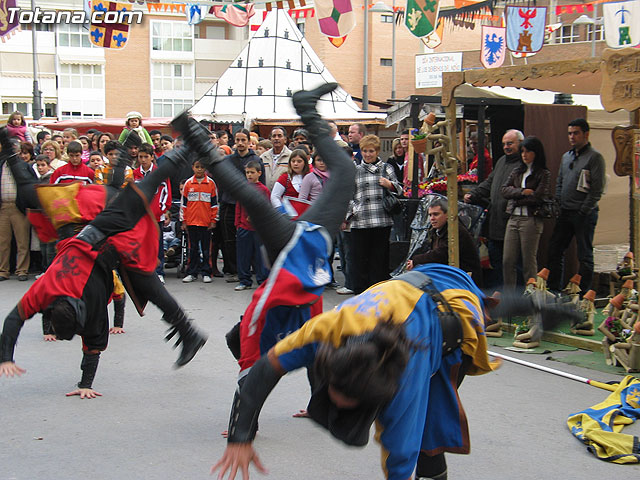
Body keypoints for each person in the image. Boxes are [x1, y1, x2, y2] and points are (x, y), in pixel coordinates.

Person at [212, 263, 496, 480]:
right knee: (420, 430)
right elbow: (264, 368)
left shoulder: (406, 379)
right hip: (412, 284)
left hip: (452, 310)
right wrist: (241, 437)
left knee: (427, 433)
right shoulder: (327, 331)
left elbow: (400, 457)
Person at [172, 82, 355, 396]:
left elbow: (312, 345)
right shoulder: (276, 315)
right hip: (297, 249)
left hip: (306, 245)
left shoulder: (303, 316)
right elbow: (254, 357)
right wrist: (243, 427)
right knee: (255, 197)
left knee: (257, 197)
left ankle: (305, 108)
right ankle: (199, 137)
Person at [0, 128, 207, 397]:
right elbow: (13, 320)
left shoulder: (87, 297)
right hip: (83, 210)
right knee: (28, 193)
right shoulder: (45, 290)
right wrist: (5, 357)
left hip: (92, 223)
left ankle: (189, 144)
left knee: (144, 273)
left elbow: (93, 341)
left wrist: (85, 383)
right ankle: (7, 145)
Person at [545, 118, 606, 293]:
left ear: (586, 134)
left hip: (584, 213)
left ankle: (583, 294)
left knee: (584, 255)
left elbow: (597, 189)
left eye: (576, 133)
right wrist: (558, 202)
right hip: (565, 211)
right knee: (555, 249)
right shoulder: (566, 156)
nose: (572, 137)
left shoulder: (595, 157)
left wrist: (583, 210)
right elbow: (560, 181)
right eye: (570, 133)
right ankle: (554, 289)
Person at [464, 129, 524, 289]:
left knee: (513, 263)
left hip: (513, 222)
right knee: (496, 261)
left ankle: (516, 299)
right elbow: (489, 183)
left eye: (510, 143)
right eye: (504, 144)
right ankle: (498, 296)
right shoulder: (501, 161)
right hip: (496, 222)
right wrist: (473, 194)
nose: (506, 147)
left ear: (520, 144)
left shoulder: (523, 165)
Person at [347, 134, 402, 294]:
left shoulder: (387, 168)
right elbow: (348, 195)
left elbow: (400, 189)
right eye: (364, 151)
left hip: (382, 219)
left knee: (379, 259)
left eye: (371, 151)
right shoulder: (355, 170)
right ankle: (360, 293)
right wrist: (352, 211)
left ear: (377, 151)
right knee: (359, 259)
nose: (368, 154)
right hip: (360, 220)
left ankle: (377, 292)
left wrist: (389, 184)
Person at [501, 136, 550, 290]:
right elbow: (504, 190)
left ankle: (532, 295)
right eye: (522, 151)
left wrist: (516, 197)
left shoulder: (543, 173)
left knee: (529, 260)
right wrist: (522, 192)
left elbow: (539, 196)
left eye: (528, 151)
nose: (524, 154)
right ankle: (510, 297)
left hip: (531, 219)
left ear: (536, 153)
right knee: (508, 260)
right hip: (514, 218)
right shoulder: (517, 171)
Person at [218, 129, 263, 282]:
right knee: (229, 239)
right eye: (238, 140)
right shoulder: (228, 160)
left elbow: (260, 185)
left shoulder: (256, 159)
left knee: (252, 240)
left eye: (244, 140)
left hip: (248, 206)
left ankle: (252, 270)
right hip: (229, 203)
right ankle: (234, 270)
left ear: (249, 141)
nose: (240, 143)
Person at [407, 198, 482, 287]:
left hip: (465, 278)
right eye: (430, 215)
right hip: (450, 274)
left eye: (436, 214)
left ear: (447, 215)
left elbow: (442, 253)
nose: (432, 218)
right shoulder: (437, 230)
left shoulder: (455, 230)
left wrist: (416, 260)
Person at [133, 143, 171, 285]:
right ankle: (143, 272)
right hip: (139, 217)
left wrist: (163, 210)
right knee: (141, 245)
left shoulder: (159, 174)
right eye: (140, 157)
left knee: (157, 245)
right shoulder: (134, 174)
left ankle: (159, 272)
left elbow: (166, 193)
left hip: (156, 216)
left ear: (151, 157)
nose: (143, 160)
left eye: (146, 157)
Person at [181, 160, 219, 284]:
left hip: (206, 222)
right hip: (191, 222)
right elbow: (184, 205)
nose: (199, 169)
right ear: (193, 167)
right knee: (193, 248)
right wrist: (184, 221)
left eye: (202, 167)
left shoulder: (211, 184)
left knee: (206, 249)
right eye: (197, 167)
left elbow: (214, 204)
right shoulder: (188, 183)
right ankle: (192, 272)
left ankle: (206, 272)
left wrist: (213, 220)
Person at [234, 160, 270, 291]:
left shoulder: (264, 190)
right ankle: (244, 280)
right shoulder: (242, 188)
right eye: (247, 172)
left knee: (260, 256)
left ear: (259, 173)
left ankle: (262, 280)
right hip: (244, 227)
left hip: (259, 229)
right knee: (243, 255)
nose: (249, 175)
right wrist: (237, 223)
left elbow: (266, 208)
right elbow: (238, 206)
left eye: (252, 172)